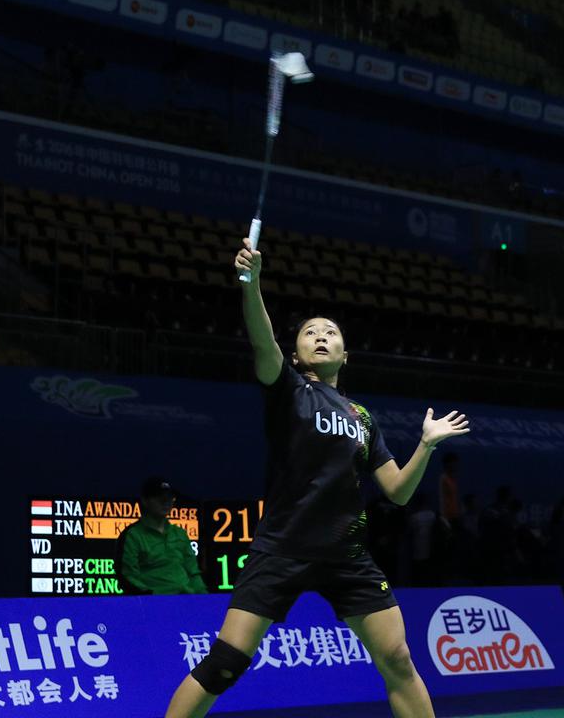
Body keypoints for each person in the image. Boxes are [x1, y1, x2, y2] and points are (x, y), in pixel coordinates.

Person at [164, 237, 470, 718]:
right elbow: (262, 339)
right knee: (225, 662)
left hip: (345, 554)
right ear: (298, 353)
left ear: (345, 355)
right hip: (282, 547)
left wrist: (426, 445)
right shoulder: (286, 390)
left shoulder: (363, 417)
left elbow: (397, 491)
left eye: (331, 332)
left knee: (397, 659)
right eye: (310, 333)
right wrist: (252, 283)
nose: (321, 336)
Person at [116, 477, 208, 595]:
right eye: (159, 497)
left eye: (170, 498)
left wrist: (204, 598)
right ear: (144, 501)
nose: (166, 502)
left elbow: (193, 572)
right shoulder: (132, 536)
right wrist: (150, 598)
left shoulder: (180, 533)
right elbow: (128, 576)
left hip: (186, 601)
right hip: (153, 605)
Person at [437, 452, 462, 523]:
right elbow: (442, 498)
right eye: (453, 463)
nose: (456, 465)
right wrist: (443, 516)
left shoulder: (453, 479)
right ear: (447, 464)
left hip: (455, 515)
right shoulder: (444, 479)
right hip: (447, 516)